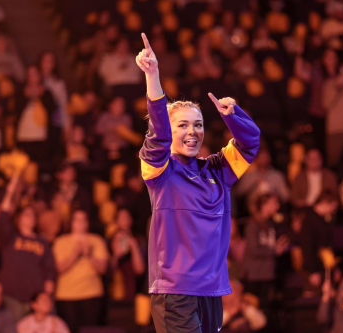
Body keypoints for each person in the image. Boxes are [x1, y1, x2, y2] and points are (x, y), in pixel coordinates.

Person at [136, 33, 260, 333]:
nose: (193, 131)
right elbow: (159, 138)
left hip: (212, 289)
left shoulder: (217, 170)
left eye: (199, 124)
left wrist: (234, 115)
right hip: (175, 289)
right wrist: (153, 77)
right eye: (183, 124)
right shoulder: (160, 170)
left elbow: (250, 142)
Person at [0, 174, 56, 321]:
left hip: (35, 299)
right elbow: (3, 217)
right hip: (11, 296)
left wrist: (48, 288)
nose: (29, 217)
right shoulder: (11, 237)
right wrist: (10, 193)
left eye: (32, 215)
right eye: (26, 214)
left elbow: (49, 267)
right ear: (19, 218)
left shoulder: (42, 242)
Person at [53, 209, 109, 333]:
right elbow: (59, 269)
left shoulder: (96, 240)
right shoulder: (60, 241)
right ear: (71, 223)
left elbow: (102, 269)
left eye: (84, 219)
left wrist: (89, 254)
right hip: (66, 295)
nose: (81, 223)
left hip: (92, 293)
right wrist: (76, 253)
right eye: (77, 219)